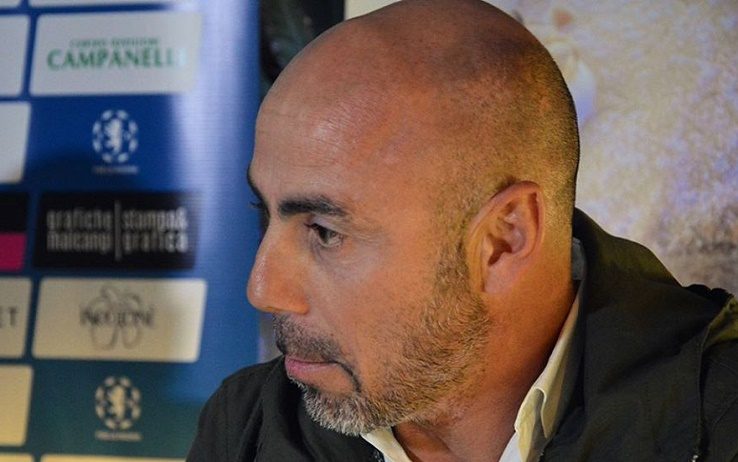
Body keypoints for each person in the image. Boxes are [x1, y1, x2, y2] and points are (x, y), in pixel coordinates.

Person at [187, 0, 738, 460]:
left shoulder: (717, 419)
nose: (263, 289)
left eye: (325, 232)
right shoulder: (249, 428)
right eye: (266, 214)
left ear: (504, 240)